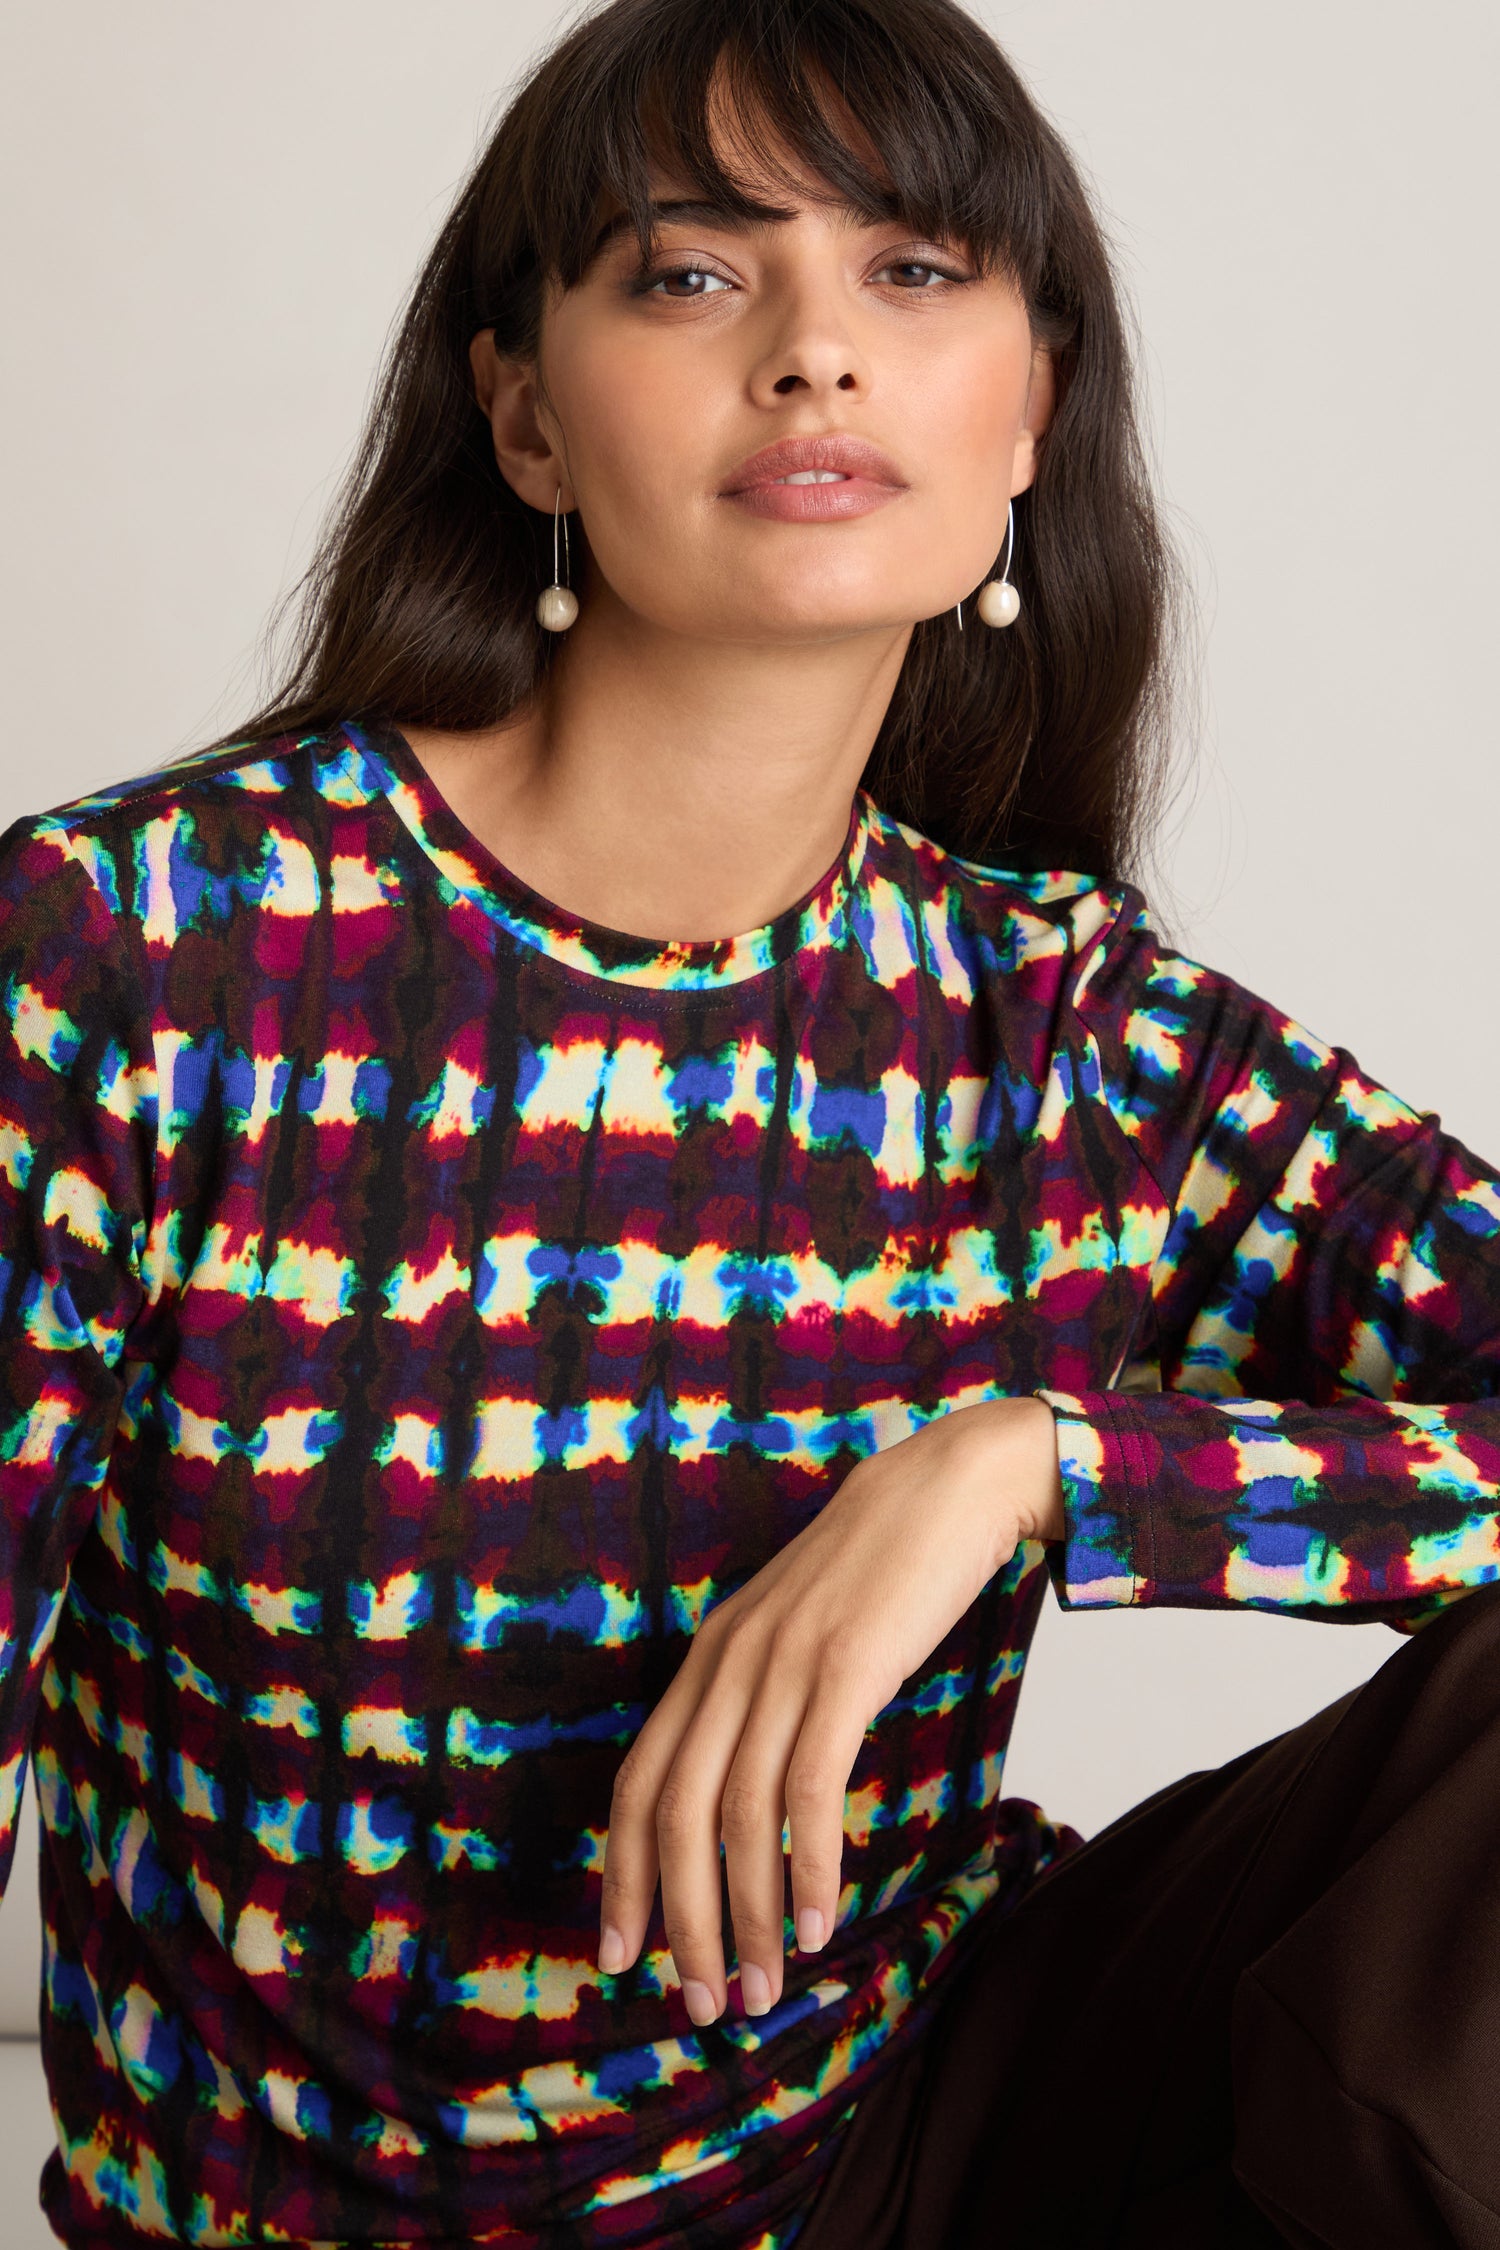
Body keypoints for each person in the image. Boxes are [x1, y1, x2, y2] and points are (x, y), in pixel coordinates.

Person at [3, 0, 1496, 2243]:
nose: (816, 353)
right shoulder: (142, 953)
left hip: (917, 2155)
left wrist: (1035, 1471)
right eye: (691, 274)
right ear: (522, 413)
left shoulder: (1072, 1032)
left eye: (911, 272)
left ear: (1029, 414)